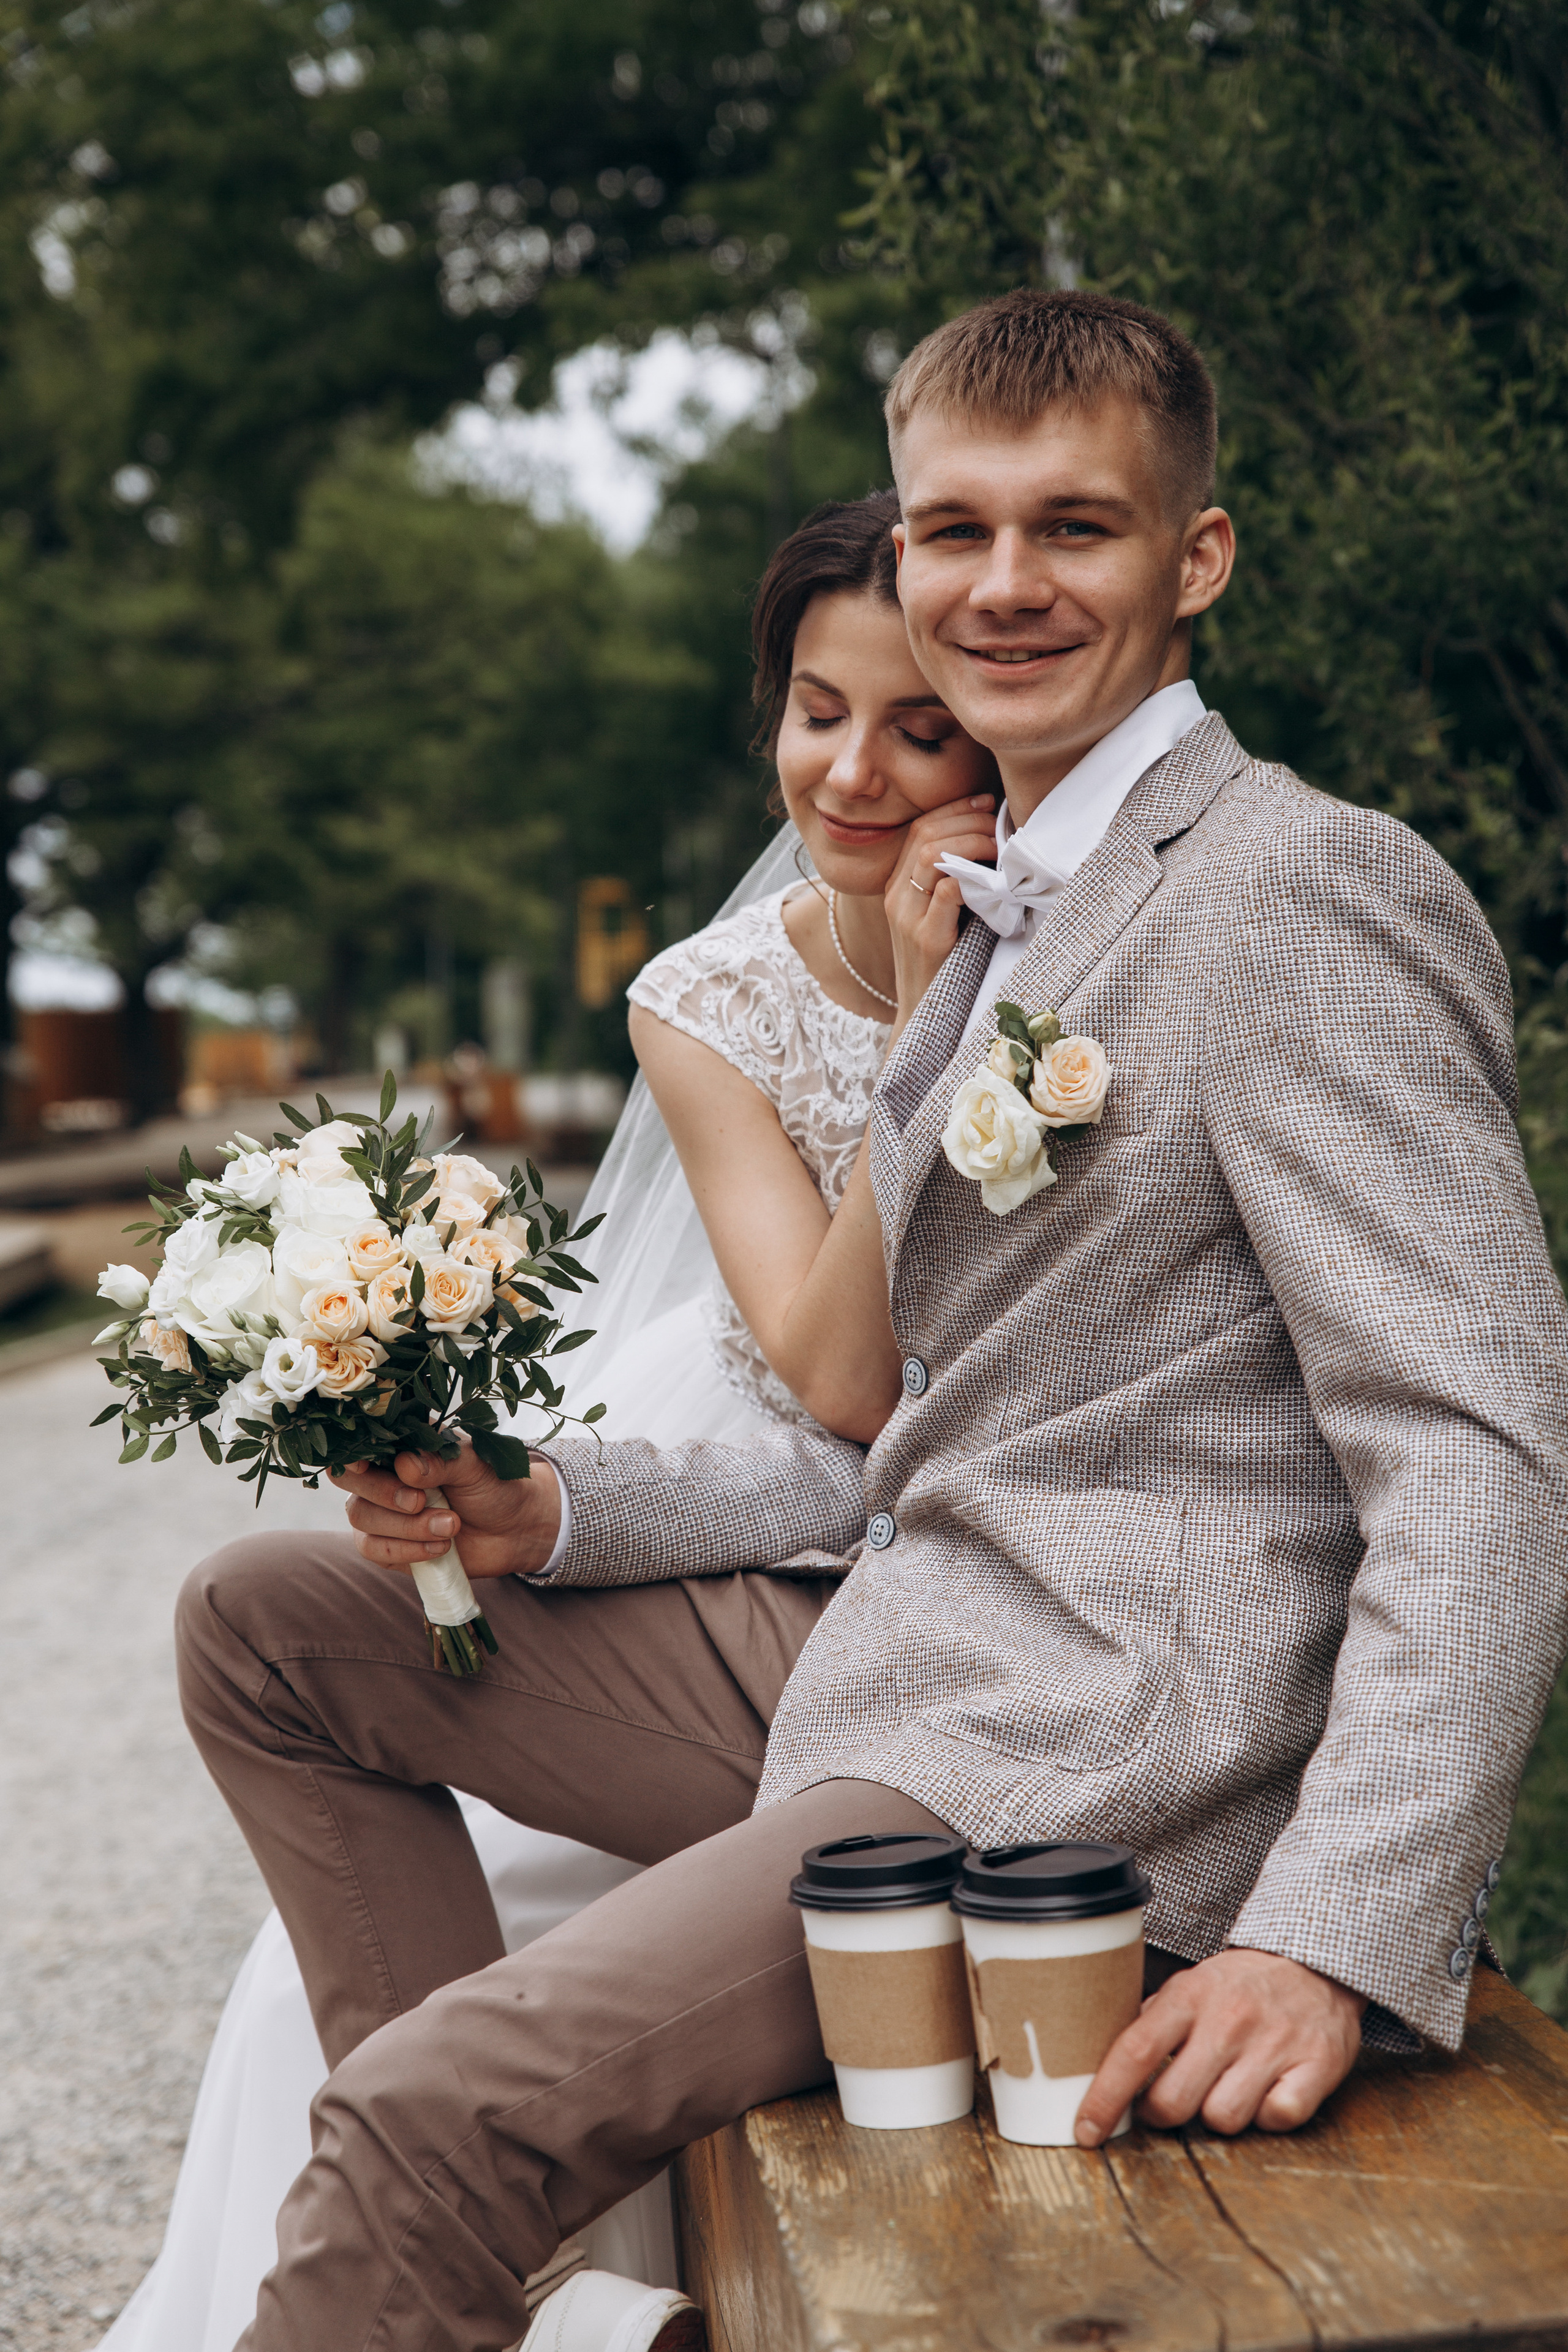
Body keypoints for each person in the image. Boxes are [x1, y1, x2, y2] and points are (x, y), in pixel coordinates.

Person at [176, 288, 1568, 2352]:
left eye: (1074, 531)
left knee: (417, 2116)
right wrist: (547, 1507)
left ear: (1198, 563)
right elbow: (895, 1421)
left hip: (1084, 1750)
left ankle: (459, 2222)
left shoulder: (1298, 893)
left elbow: (1479, 1445)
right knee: (268, 1630)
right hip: (903, 1649)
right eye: (954, 531)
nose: (1002, 587)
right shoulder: (1002, 905)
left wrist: (1334, 1939)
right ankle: (500, 2263)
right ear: (899, 554)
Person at [100, 494, 995, 2352]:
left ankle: (471, 2258)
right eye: (819, 709)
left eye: (923, 730)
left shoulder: (1060, 975)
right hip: (777, 1577)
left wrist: (934, 1014)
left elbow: (861, 1383)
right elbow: (818, 1420)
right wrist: (540, 1504)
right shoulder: (712, 998)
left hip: (965, 1662)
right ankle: (516, 2298)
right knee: (252, 1614)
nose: (855, 773)